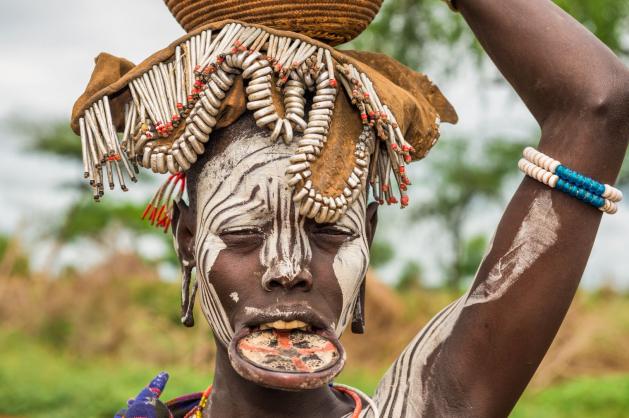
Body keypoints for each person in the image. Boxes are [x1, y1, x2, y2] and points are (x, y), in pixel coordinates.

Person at [70, 0, 629, 417]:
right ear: (188, 242)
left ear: (368, 234)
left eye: (328, 231)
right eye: (242, 233)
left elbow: (597, 102)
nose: (287, 269)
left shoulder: (431, 404)